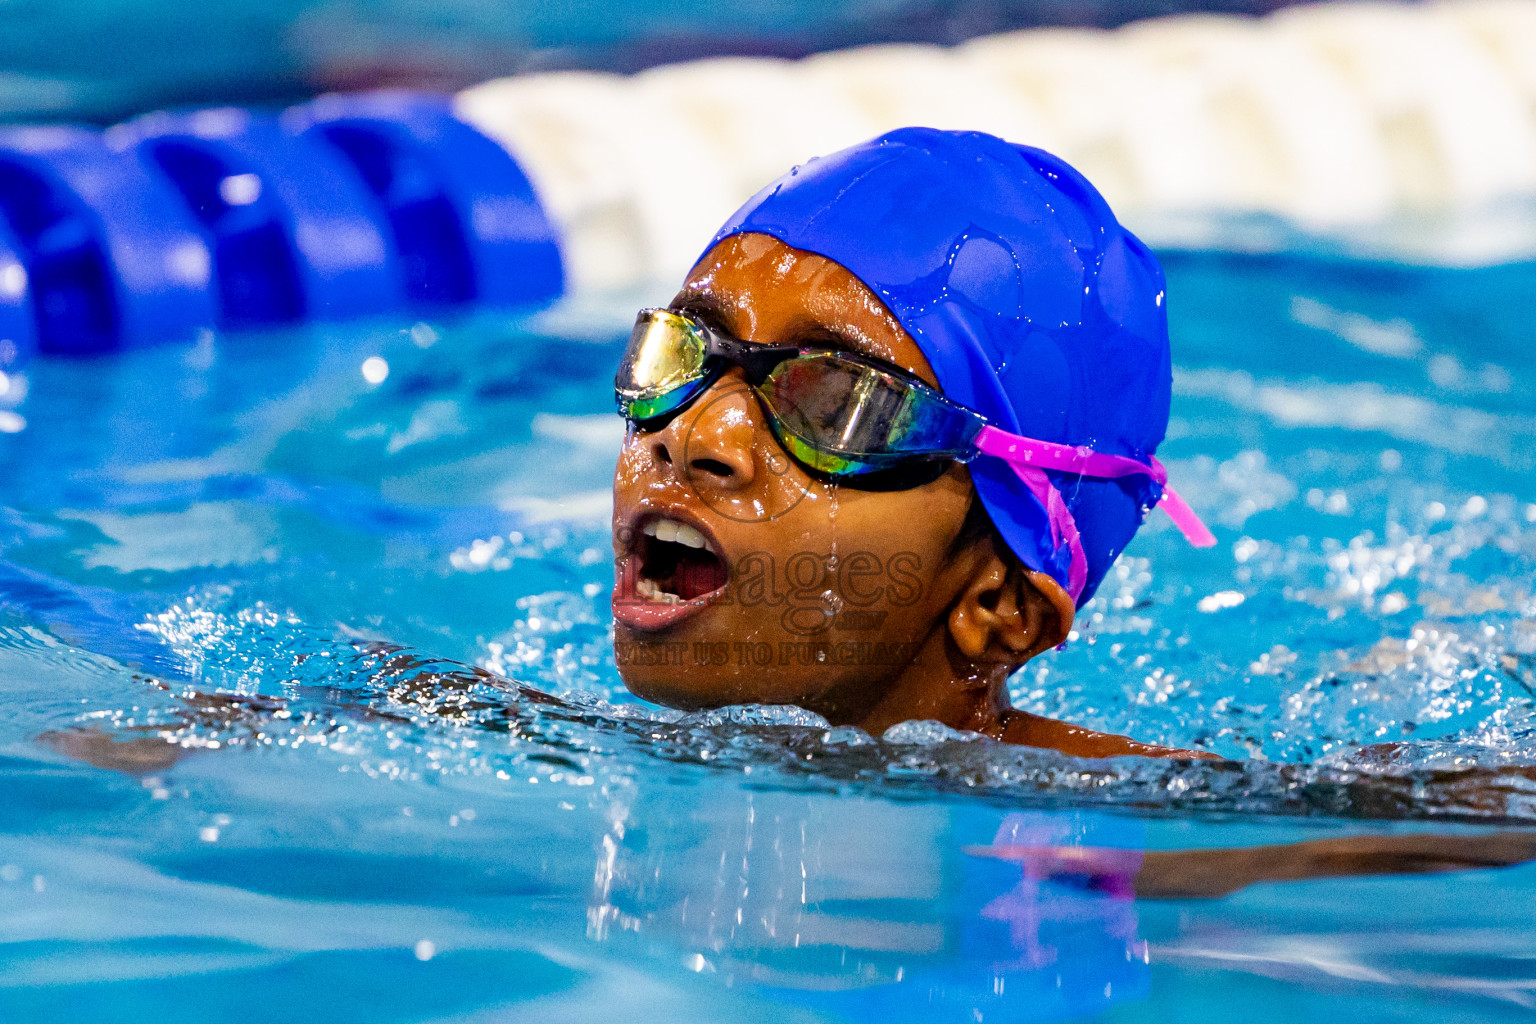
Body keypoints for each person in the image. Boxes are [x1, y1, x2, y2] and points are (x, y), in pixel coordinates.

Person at [610, 127, 1216, 758]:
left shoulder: (1133, 831)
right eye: (684, 355)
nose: (693, 434)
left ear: (1002, 605)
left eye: (839, 402)